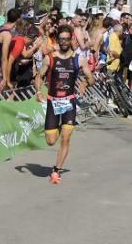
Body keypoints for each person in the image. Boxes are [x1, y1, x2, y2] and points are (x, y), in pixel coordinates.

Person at [36, 25, 92, 185]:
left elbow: (91, 77)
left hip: (69, 102)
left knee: (66, 139)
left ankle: (57, 170)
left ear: (72, 39)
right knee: (51, 141)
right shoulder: (50, 58)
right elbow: (39, 76)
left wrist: (86, 84)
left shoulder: (78, 59)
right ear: (58, 40)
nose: (65, 42)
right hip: (53, 101)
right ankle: (60, 127)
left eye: (67, 39)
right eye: (62, 39)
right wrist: (38, 92)